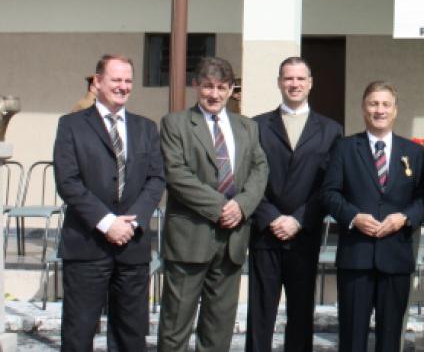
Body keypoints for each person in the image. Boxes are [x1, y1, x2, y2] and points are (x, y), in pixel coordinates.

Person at [52, 54, 165, 351]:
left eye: (128, 81)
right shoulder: (71, 126)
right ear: (97, 82)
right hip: (87, 245)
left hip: (132, 246)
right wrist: (107, 223)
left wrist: (133, 220)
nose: (123, 86)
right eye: (116, 80)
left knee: (130, 334)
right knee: (79, 332)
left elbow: (156, 180)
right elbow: (68, 182)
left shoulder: (146, 128)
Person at [158, 57, 269, 352]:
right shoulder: (175, 124)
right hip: (189, 239)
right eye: (208, 86)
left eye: (222, 87)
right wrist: (222, 207)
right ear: (196, 85)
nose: (214, 94)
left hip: (232, 240)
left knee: (218, 329)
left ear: (232, 89)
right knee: (175, 328)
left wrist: (242, 206)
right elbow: (176, 174)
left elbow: (260, 170)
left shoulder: (247, 127)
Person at [322, 81, 424, 352]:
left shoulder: (413, 152)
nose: (379, 110)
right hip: (356, 255)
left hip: (396, 256)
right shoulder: (345, 148)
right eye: (373, 104)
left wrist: (404, 217)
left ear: (395, 111)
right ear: (363, 108)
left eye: (385, 104)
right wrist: (353, 217)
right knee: (352, 336)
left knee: (390, 337)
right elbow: (330, 193)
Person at [246, 58, 342, 352]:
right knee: (261, 312)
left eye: (301, 79)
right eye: (289, 78)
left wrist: (299, 219)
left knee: (301, 313)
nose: (295, 84)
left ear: (311, 83)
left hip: (305, 233)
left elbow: (330, 184)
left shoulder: (331, 130)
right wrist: (271, 217)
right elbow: (248, 177)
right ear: (279, 82)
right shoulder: (256, 126)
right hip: (265, 231)